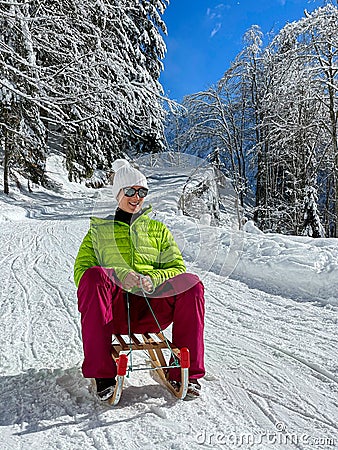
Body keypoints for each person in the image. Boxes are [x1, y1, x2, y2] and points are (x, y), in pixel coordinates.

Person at [74, 160, 205, 401]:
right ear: (118, 194)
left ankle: (186, 373)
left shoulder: (158, 230)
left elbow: (177, 268)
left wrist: (153, 278)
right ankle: (103, 374)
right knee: (94, 275)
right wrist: (119, 275)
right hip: (114, 314)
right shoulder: (99, 232)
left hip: (153, 309)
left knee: (192, 284)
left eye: (142, 192)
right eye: (130, 191)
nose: (136, 197)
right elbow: (81, 272)